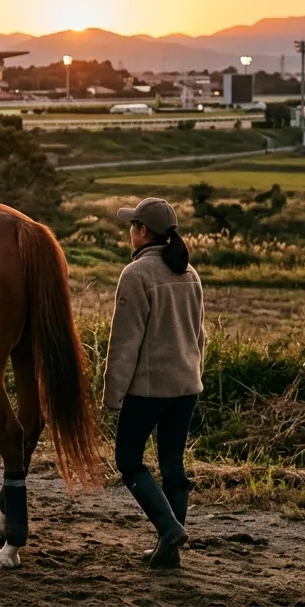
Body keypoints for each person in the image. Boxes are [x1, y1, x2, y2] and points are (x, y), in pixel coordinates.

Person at [102, 197, 204, 569]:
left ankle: (169, 528)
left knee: (128, 461)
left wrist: (113, 394)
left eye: (132, 225)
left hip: (148, 388)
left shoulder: (136, 275)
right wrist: (194, 373)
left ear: (143, 231)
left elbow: (124, 342)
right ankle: (170, 550)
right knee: (172, 464)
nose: (130, 230)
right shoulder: (189, 272)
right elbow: (199, 335)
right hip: (186, 385)